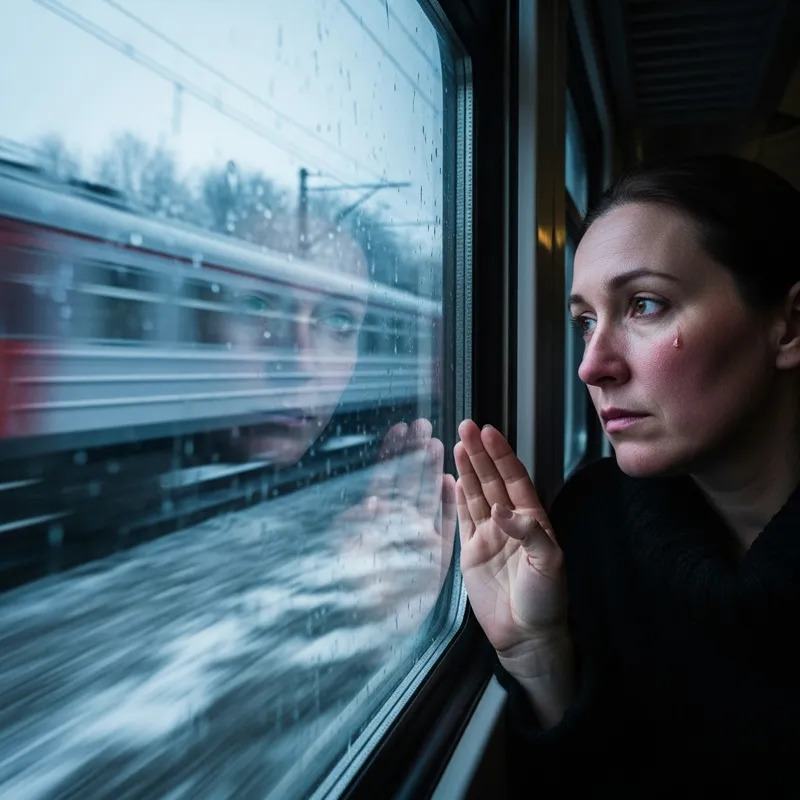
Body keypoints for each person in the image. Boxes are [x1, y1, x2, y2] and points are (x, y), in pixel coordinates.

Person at [454, 155, 800, 786]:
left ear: (789, 326)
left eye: (644, 305)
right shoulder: (585, 530)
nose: (592, 365)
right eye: (585, 321)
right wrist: (539, 657)